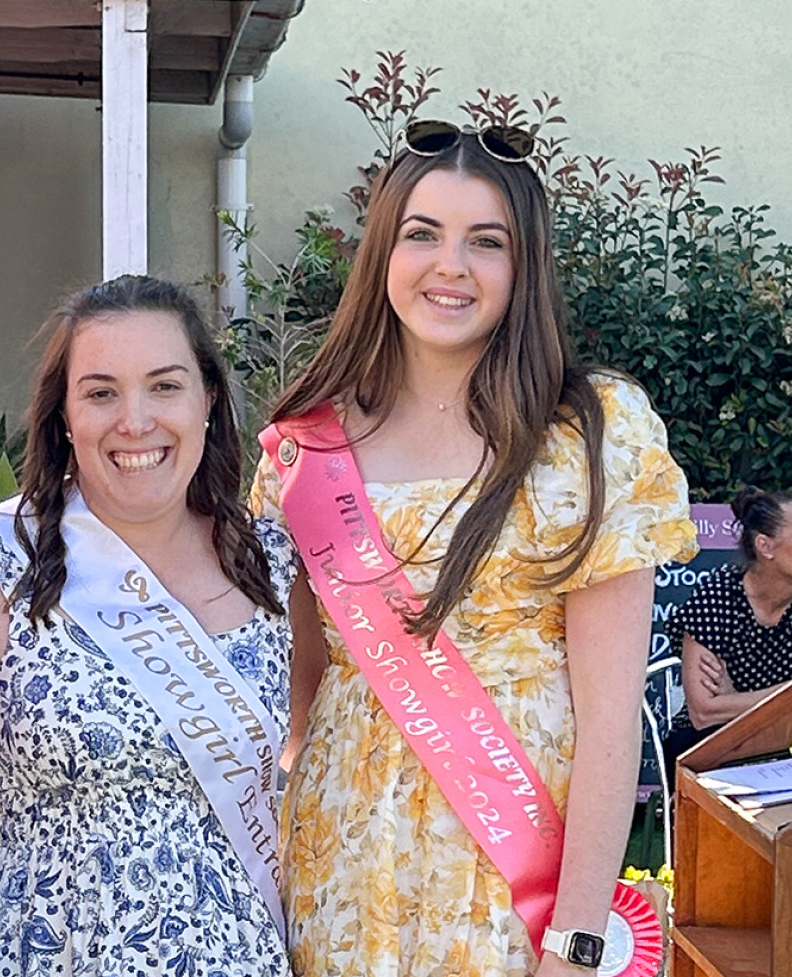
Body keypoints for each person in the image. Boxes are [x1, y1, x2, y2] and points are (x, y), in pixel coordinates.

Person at [250, 121, 698, 976]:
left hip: (511, 889)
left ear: (522, 268)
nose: (449, 265)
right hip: (341, 867)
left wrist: (574, 939)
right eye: (423, 234)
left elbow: (612, 723)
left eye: (484, 242)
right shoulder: (306, 449)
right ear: (384, 250)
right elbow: (298, 706)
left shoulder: (591, 437)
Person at [0, 275, 300, 976]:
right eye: (101, 392)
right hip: (43, 952)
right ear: (66, 417)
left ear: (209, 401)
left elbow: (316, 755)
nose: (134, 420)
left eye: (165, 386)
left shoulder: (274, 565)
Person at [665, 485, 792, 754]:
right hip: (709, 750)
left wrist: (733, 701)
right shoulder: (718, 597)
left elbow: (720, 706)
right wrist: (785, 697)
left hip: (779, 746)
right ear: (765, 546)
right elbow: (704, 713)